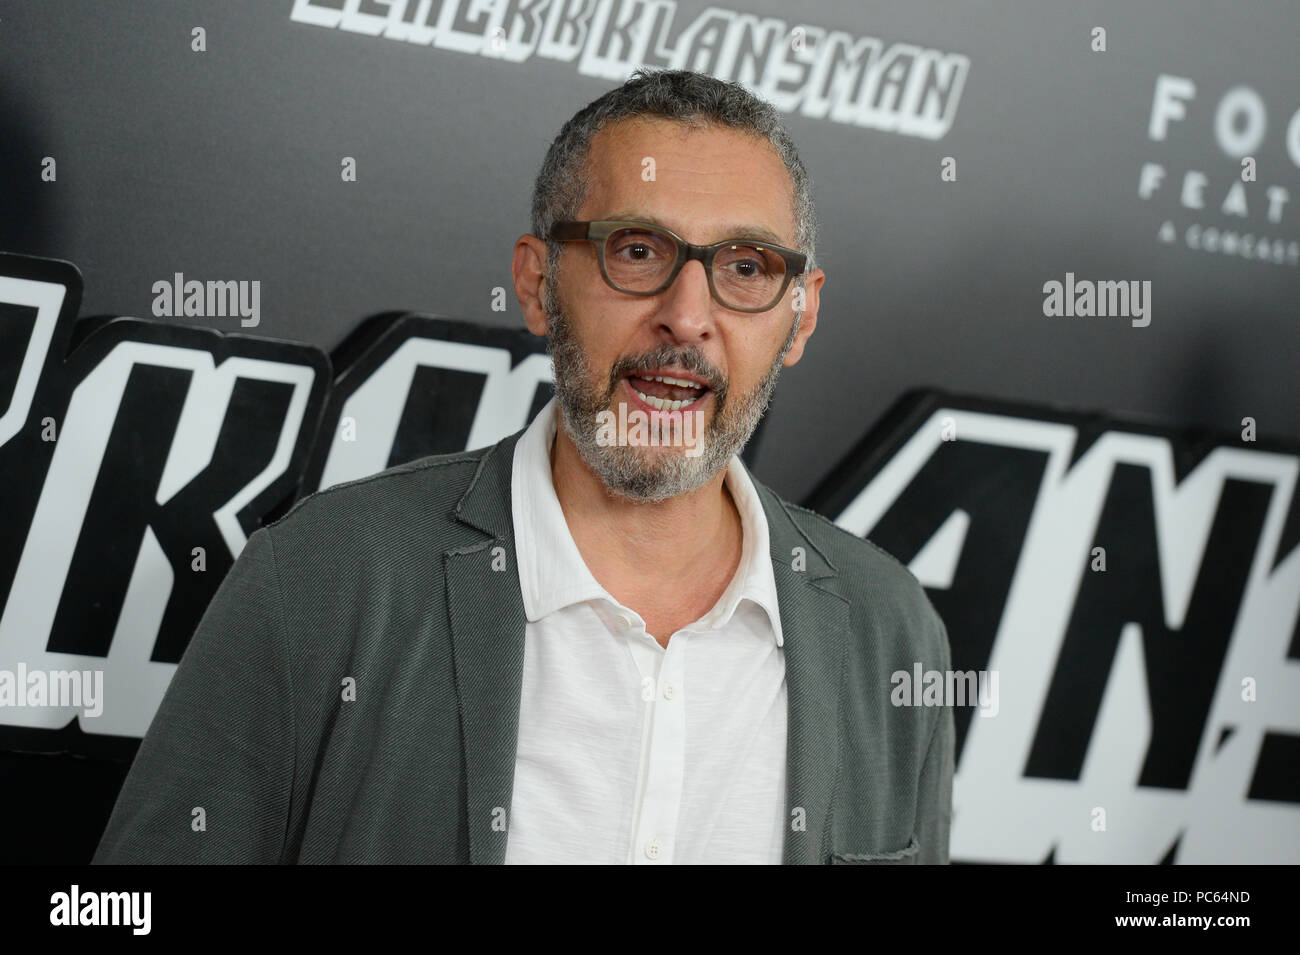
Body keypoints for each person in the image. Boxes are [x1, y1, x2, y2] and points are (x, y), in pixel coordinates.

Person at [93, 68, 953, 865]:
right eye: (639, 251)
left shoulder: (890, 634)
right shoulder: (322, 578)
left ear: (799, 318)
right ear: (538, 283)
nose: (688, 317)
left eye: (745, 267)